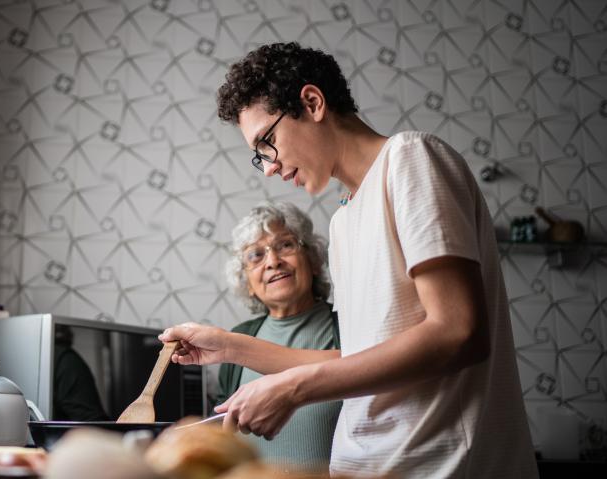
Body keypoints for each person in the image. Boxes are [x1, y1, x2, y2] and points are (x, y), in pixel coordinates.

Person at [160, 42, 537, 478]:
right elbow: (359, 359)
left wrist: (295, 389)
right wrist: (228, 346)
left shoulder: (410, 159)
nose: (268, 167)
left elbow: (458, 331)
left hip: (440, 467)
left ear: (313, 103)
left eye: (267, 141)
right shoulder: (342, 221)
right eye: (258, 154)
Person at [217, 201, 340, 470]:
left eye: (285, 245)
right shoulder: (237, 341)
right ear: (246, 282)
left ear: (314, 260)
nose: (273, 261)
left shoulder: (346, 325)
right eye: (255, 255)